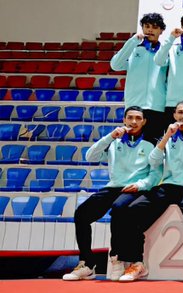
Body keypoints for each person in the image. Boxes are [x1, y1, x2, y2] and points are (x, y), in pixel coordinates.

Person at [63, 106, 161, 281]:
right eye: (130, 117)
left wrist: (140, 185)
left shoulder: (150, 143)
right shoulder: (113, 142)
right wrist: (110, 137)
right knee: (81, 214)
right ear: (124, 120)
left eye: (138, 118)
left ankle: (116, 258)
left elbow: (155, 174)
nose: (134, 121)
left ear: (144, 121)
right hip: (113, 187)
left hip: (135, 188)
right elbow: (90, 156)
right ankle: (87, 263)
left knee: (119, 208)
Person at [121, 101, 183, 283]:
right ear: (174, 115)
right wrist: (166, 137)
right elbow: (154, 161)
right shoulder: (166, 137)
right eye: (180, 112)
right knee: (133, 209)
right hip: (168, 186)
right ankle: (136, 263)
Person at [110, 13, 168, 143]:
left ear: (161, 31)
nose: (150, 30)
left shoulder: (165, 52)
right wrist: (132, 41)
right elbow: (115, 65)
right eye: (147, 26)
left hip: (157, 107)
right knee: (131, 145)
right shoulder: (134, 49)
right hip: (134, 107)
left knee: (154, 146)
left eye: (155, 27)